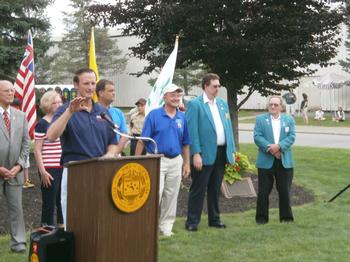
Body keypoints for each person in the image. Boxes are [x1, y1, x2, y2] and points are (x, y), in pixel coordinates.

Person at [47, 68, 121, 225]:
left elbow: (113, 143)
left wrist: (109, 156)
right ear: (76, 85)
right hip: (76, 173)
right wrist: (70, 112)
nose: (90, 87)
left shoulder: (102, 111)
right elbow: (52, 135)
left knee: (100, 219)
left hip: (101, 172)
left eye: (93, 83)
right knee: (75, 221)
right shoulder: (65, 109)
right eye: (86, 83)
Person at [135, 84, 190, 236]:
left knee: (171, 196)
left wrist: (186, 163)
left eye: (178, 95)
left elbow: (186, 143)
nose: (176, 98)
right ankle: (148, 226)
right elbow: (142, 140)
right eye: (172, 95)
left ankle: (166, 227)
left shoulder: (182, 117)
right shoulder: (154, 115)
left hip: (175, 160)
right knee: (154, 194)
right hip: (156, 159)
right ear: (164, 97)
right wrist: (136, 161)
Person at [185, 73, 236, 232]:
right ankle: (192, 221)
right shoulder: (195, 105)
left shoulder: (222, 104)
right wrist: (196, 153)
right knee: (198, 189)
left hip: (221, 153)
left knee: (215, 189)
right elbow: (192, 132)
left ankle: (215, 219)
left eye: (219, 86)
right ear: (205, 86)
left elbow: (228, 128)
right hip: (204, 154)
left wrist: (231, 150)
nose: (217, 89)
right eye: (214, 86)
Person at [254, 96, 296, 224]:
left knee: (284, 191)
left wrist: (279, 147)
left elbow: (291, 137)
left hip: (284, 161)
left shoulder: (289, 120)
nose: (272, 107)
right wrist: (271, 149)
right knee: (263, 192)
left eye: (275, 105)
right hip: (265, 161)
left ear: (281, 107)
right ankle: (261, 219)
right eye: (270, 104)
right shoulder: (260, 119)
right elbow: (257, 137)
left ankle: (286, 218)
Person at [0, 80, 30, 253]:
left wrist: (19, 166)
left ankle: (18, 243)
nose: (11, 93)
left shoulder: (21, 116)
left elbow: (26, 144)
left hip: (15, 172)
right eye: (6, 91)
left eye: (12, 90)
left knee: (16, 209)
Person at [34, 91, 64, 227]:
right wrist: (43, 171)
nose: (58, 105)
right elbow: (37, 150)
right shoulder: (42, 124)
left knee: (62, 202)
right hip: (49, 169)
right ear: (47, 104)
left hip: (64, 167)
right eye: (54, 102)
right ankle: (46, 233)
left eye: (60, 102)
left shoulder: (62, 121)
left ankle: (62, 233)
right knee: (49, 203)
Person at [96, 79, 128, 151]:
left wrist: (115, 152)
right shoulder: (92, 111)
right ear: (101, 93)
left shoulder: (118, 112)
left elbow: (124, 135)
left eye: (114, 90)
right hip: (97, 155)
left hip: (115, 154)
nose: (114, 93)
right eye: (110, 91)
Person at [10, 98, 34, 189]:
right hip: (13, 147)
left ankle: (26, 180)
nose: (16, 109)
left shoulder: (21, 116)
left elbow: (25, 134)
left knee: (25, 162)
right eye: (14, 107)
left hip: (22, 145)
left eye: (17, 107)